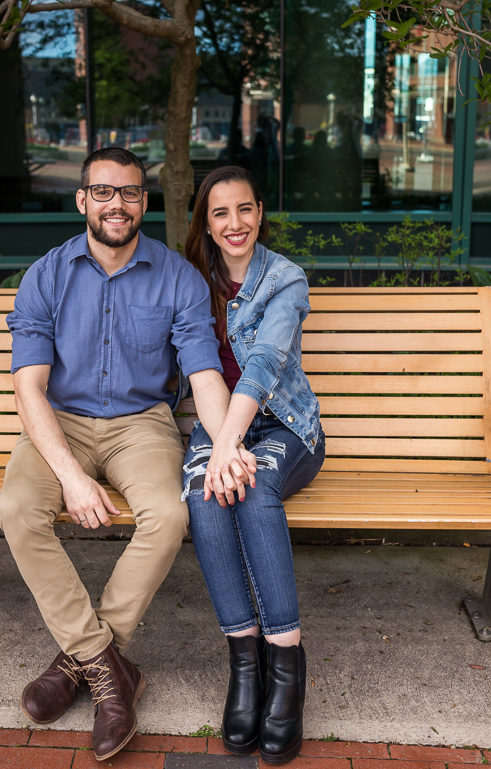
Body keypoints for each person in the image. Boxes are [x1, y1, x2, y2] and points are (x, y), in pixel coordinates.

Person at [0, 147, 240, 763]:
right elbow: (29, 388)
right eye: (103, 192)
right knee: (18, 511)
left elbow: (205, 375)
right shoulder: (46, 276)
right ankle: (110, 671)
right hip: (60, 424)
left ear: (144, 202)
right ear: (82, 200)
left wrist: (227, 445)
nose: (118, 204)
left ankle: (77, 664)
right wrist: (72, 478)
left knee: (170, 514)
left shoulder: (178, 278)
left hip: (142, 425)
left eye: (130, 193)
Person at [183, 165, 325, 764]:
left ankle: (286, 665)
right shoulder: (191, 281)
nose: (235, 223)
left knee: (255, 485)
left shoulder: (285, 279)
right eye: (220, 213)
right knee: (205, 494)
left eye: (245, 209)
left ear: (260, 213)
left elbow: (266, 362)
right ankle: (246, 663)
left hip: (285, 428)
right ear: (207, 223)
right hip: (217, 426)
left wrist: (228, 446)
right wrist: (219, 443)